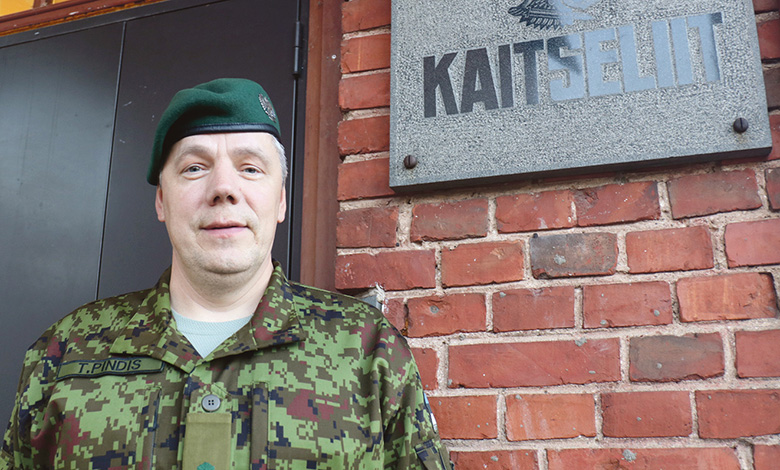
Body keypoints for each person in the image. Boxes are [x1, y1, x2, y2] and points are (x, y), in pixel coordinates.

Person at [0, 78, 452, 469]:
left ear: (280, 200)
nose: (223, 189)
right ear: (162, 201)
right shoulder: (66, 350)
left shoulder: (368, 348)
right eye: (195, 168)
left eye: (250, 168)